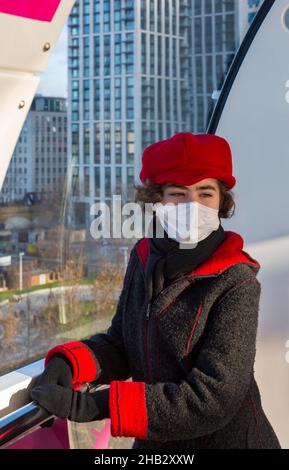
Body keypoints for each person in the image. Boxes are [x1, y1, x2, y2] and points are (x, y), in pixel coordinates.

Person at [30, 132, 281, 449]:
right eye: (178, 193)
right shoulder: (143, 257)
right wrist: (70, 364)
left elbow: (214, 399)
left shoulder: (236, 280)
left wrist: (95, 406)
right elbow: (124, 341)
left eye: (205, 193)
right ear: (156, 200)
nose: (192, 205)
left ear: (222, 201)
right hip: (157, 443)